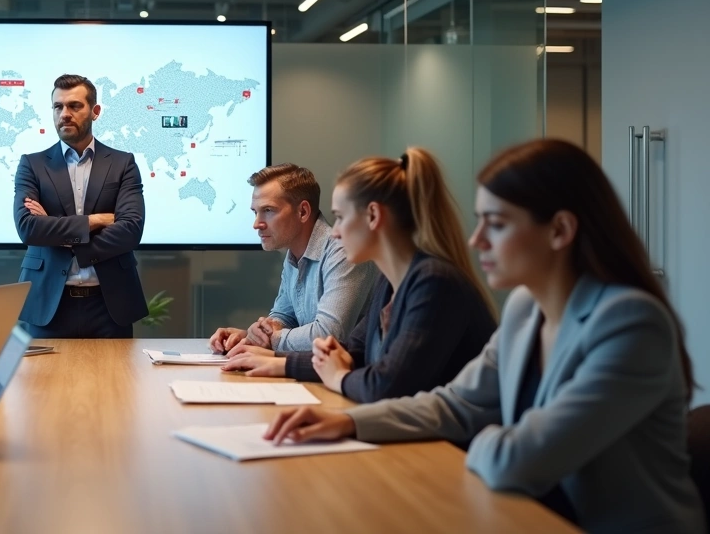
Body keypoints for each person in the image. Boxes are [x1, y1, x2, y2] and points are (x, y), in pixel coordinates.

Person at [263, 139, 705, 533]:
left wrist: (482, 434)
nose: (476, 241)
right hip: (529, 512)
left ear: (560, 230)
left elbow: (521, 459)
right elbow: (456, 404)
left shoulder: (630, 324)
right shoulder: (525, 310)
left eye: (497, 224)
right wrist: (347, 422)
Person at [222, 149, 497, 403]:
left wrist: (336, 376)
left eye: (340, 217)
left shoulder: (434, 282)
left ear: (374, 216)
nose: (336, 231)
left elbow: (386, 384)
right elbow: (352, 353)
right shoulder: (389, 282)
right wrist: (278, 362)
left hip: (450, 448)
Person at [14, 73, 147, 338]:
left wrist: (56, 232)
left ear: (95, 111)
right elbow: (28, 228)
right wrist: (96, 221)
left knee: (115, 381)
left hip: (109, 306)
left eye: (74, 106)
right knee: (44, 381)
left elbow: (131, 229)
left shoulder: (123, 164)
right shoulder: (32, 165)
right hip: (49, 303)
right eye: (58, 107)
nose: (64, 113)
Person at [208, 163, 377, 353]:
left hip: (348, 378)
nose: (257, 224)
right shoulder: (293, 254)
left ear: (303, 212)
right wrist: (250, 336)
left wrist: (269, 339)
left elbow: (329, 335)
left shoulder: (343, 252)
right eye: (255, 212)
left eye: (268, 211)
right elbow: (283, 318)